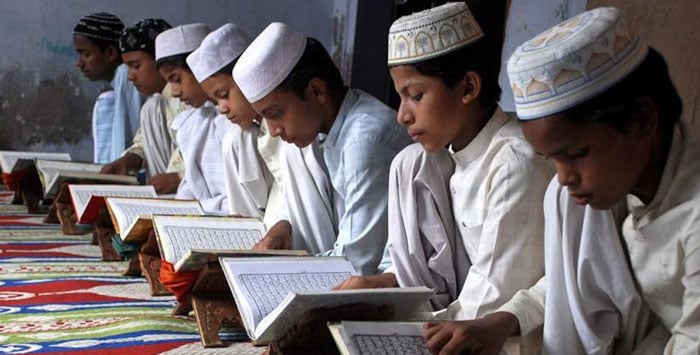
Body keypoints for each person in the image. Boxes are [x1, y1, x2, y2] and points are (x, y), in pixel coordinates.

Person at [425, 7, 699, 355]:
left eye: (576, 153)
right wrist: (505, 320)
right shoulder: (619, 185)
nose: (564, 176)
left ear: (641, 120)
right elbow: (568, 282)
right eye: (553, 159)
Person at [336, 2, 552, 324]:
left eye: (416, 95)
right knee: (408, 162)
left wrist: (401, 329)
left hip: (507, 339)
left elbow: (492, 300)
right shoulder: (438, 159)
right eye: (400, 97)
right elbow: (432, 271)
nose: (402, 115)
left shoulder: (513, 164)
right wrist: (380, 287)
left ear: (468, 88)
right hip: (453, 317)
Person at [232, 22, 412, 275]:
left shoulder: (364, 139)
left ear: (316, 90)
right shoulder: (320, 129)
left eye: (275, 114)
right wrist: (283, 224)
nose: (273, 130)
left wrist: (277, 274)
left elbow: (356, 263)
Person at [187, 23, 281, 226]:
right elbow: (244, 212)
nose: (222, 108)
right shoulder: (239, 138)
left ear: (249, 75)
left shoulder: (292, 128)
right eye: (216, 101)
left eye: (224, 96)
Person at [101, 18, 186, 194]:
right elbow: (143, 142)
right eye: (128, 68)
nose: (130, 77)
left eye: (136, 66)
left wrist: (180, 177)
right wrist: (126, 160)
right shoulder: (157, 103)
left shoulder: (190, 98)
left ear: (161, 62)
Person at [154, 24, 230, 214]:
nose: (174, 92)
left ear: (200, 67)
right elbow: (190, 187)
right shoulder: (195, 123)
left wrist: (194, 210)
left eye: (176, 79)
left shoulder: (236, 122)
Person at [73, 12, 142, 163]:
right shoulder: (118, 82)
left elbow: (123, 144)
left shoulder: (126, 76)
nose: (79, 63)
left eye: (86, 54)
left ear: (111, 53)